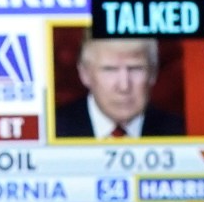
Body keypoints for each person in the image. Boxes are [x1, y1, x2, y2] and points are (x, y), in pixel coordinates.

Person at [54, 35, 182, 138]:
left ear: (153, 73)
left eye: (135, 69)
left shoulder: (180, 132)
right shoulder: (54, 130)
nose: (124, 86)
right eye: (110, 69)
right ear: (85, 74)